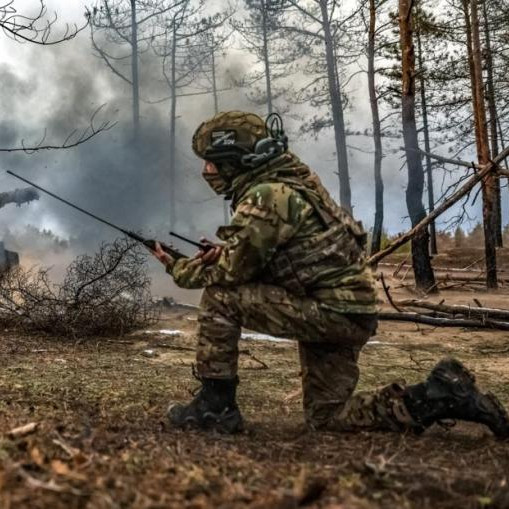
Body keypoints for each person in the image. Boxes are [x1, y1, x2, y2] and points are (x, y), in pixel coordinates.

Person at [150, 111, 509, 438]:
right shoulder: (294, 183)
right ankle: (438, 396)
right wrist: (227, 255)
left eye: (213, 162)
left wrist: (178, 266)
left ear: (238, 162)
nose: (206, 171)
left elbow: (231, 274)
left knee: (220, 298)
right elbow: (281, 256)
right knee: (328, 417)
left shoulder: (268, 195)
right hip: (345, 312)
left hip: (329, 312)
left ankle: (216, 408)